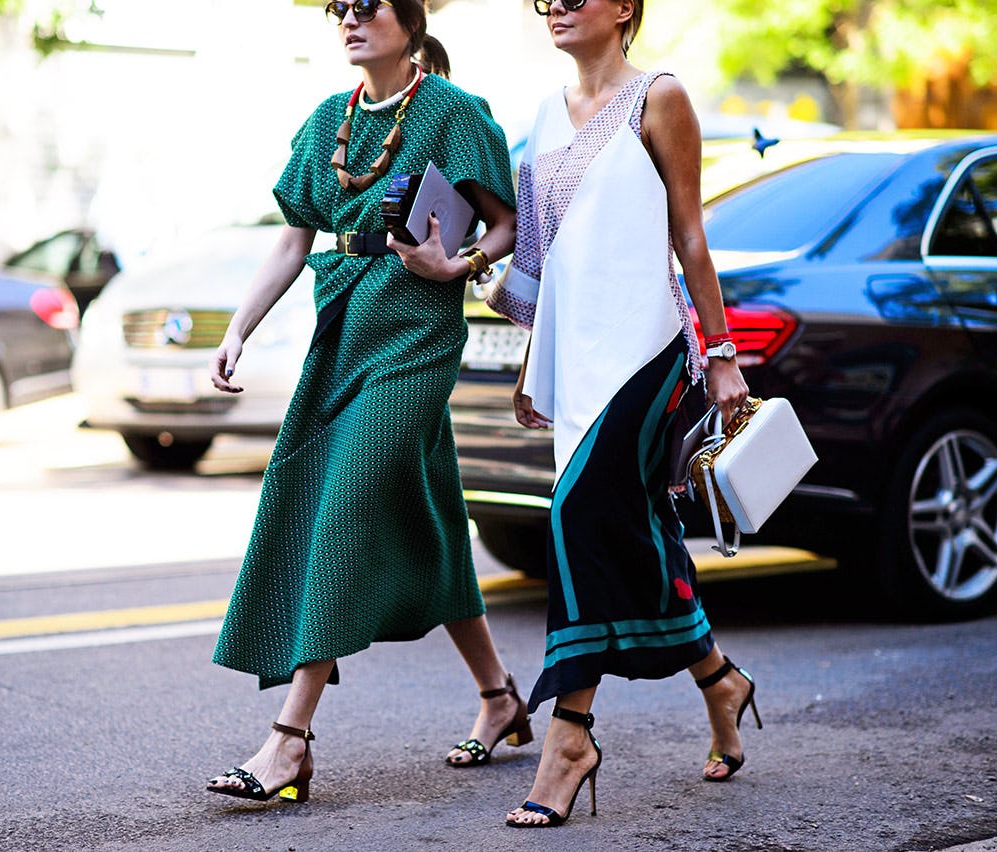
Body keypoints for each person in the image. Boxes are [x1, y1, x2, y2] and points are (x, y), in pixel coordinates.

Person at [206, 0, 528, 804]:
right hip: (344, 330)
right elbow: (292, 238)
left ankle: (289, 739)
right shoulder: (326, 122)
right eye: (338, 7)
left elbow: (506, 224)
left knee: (346, 508)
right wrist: (238, 330)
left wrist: (458, 270)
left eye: (367, 4)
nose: (350, 18)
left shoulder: (456, 113)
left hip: (418, 337)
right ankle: (500, 697)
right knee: (433, 521)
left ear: (409, 19)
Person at [485, 0, 761, 828]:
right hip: (580, 358)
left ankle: (569, 736)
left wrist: (720, 356)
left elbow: (691, 236)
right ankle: (722, 681)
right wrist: (531, 349)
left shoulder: (660, 98)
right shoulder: (540, 113)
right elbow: (539, 248)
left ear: (626, 8)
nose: (558, 6)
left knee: (576, 517)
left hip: (647, 350)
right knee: (632, 531)